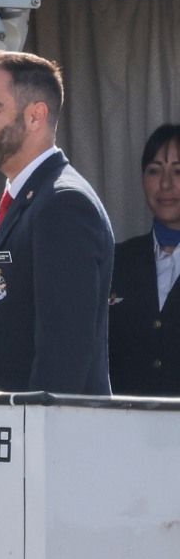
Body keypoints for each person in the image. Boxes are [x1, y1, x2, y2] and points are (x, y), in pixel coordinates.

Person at [0, 50, 113, 394]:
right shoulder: (26, 199)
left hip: (42, 440)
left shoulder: (63, 204)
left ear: (36, 116)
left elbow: (63, 358)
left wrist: (31, 442)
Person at [108, 123, 180, 396]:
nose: (165, 184)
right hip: (124, 432)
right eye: (154, 170)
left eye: (178, 171)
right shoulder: (115, 262)